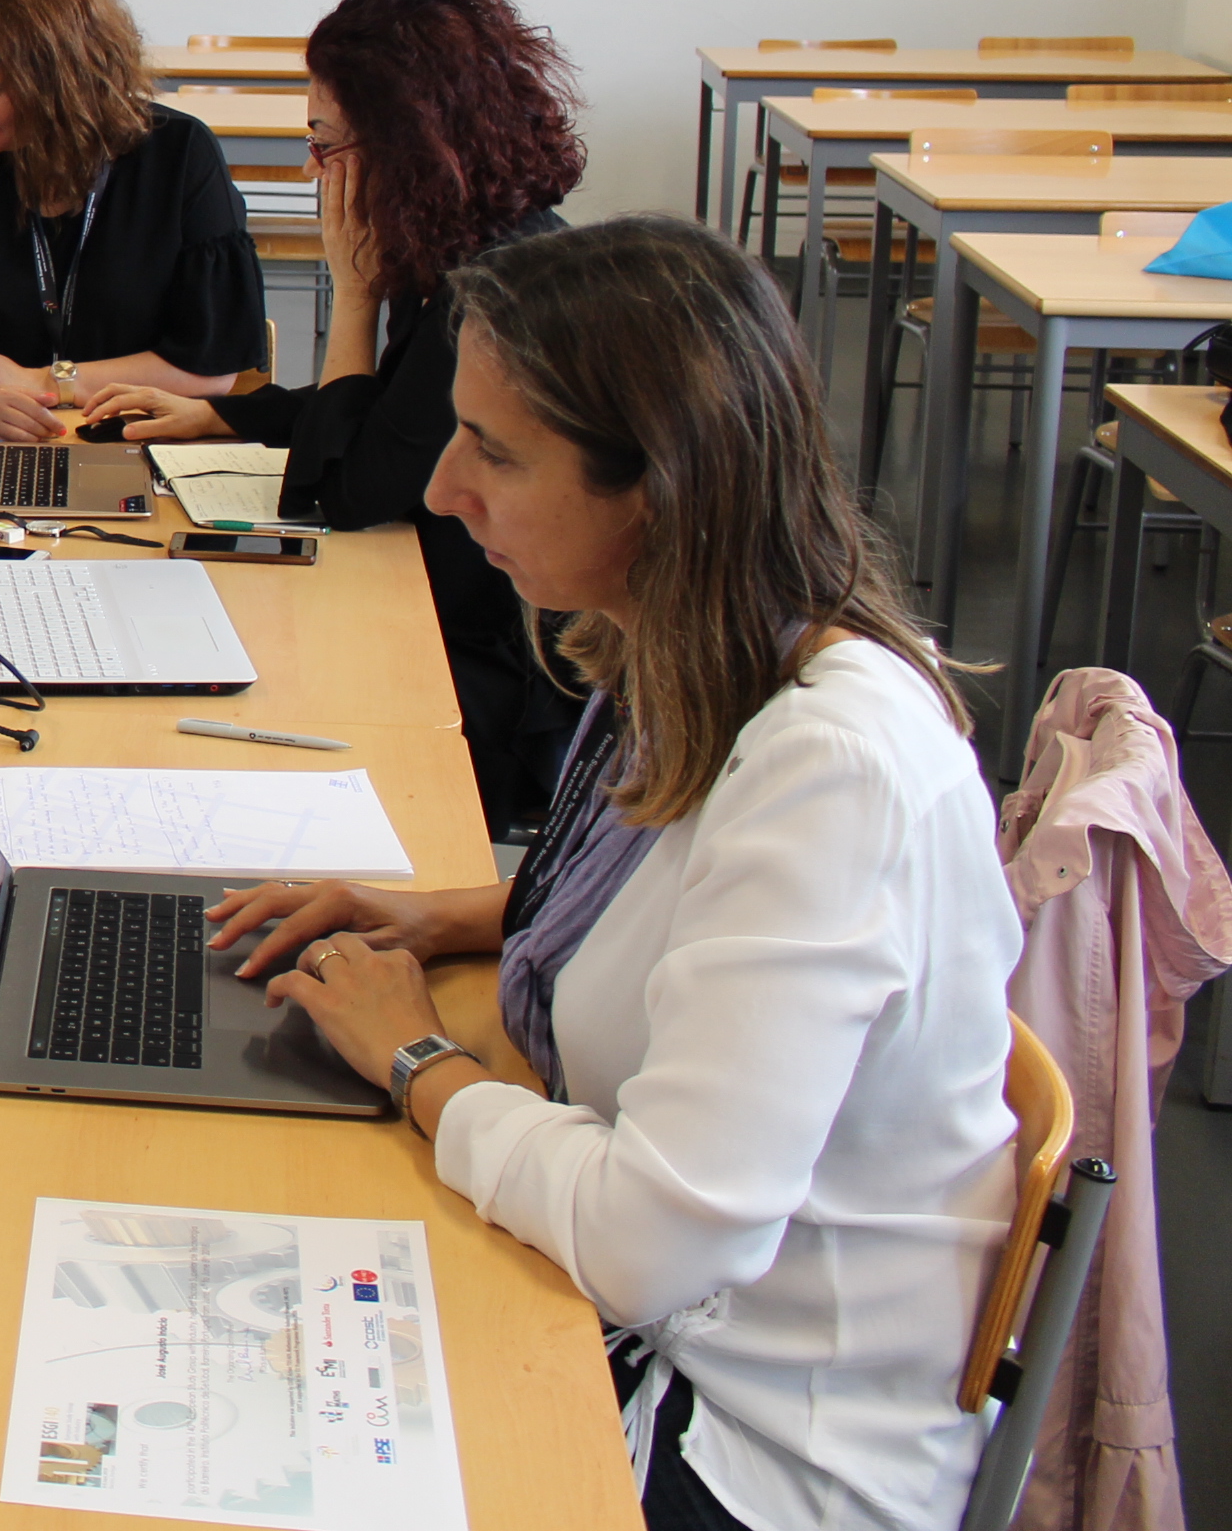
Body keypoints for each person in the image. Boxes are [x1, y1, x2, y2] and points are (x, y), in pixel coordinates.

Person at [209, 216, 1019, 1531]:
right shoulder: (704, 653)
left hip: (744, 1436)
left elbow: (656, 1244)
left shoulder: (833, 776)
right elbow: (680, 909)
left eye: (496, 452)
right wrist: (439, 916)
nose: (443, 489)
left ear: (660, 490)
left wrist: (418, 1062)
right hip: (652, 1317)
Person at [78, 0, 589, 827]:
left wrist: (351, 295)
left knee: (241, 670)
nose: (311, 168)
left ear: (405, 144)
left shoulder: (492, 294)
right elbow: (390, 408)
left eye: (324, 143)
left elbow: (352, 492)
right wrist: (224, 415)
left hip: (487, 671)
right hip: (438, 604)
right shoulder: (474, 241)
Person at [0, 0, 265, 442]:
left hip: (141, 437)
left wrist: (44, 381)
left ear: (60, 85)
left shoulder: (179, 157)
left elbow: (211, 367)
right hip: (7, 444)